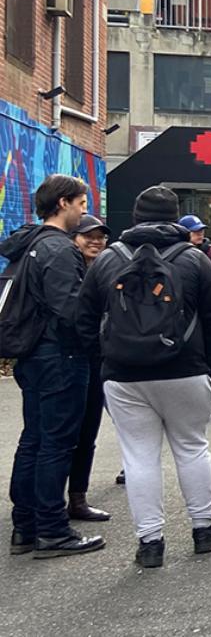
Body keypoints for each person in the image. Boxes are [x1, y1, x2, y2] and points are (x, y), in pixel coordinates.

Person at [76, 187, 211, 568]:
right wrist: (200, 358)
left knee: (140, 457)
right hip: (185, 370)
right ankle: (203, 529)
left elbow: (82, 319)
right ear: (176, 217)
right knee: (192, 447)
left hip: (123, 374)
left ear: (136, 217)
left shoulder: (108, 259)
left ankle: (150, 543)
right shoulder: (194, 259)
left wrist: (108, 357)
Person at [2, 175, 103, 558]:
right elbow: (71, 310)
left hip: (33, 354)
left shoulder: (30, 245)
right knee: (57, 445)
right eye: (80, 203)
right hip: (60, 356)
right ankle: (52, 530)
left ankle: (25, 527)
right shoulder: (60, 250)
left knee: (34, 440)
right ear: (63, 203)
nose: (83, 211)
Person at [66, 214, 112, 522]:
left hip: (96, 361)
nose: (95, 241)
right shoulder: (66, 268)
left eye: (100, 236)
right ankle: (47, 502)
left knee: (88, 431)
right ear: (74, 238)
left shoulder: (104, 269)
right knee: (62, 434)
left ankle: (77, 498)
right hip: (70, 359)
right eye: (88, 235)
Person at [179, 214, 211, 290]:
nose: (200, 234)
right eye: (195, 231)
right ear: (183, 232)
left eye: (201, 230)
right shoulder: (174, 252)